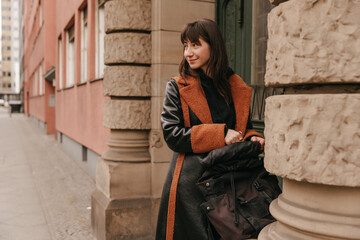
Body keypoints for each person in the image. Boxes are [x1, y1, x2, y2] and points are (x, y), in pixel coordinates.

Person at [155, 19, 265, 240]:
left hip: (232, 183)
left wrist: (253, 138)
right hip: (193, 184)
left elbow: (245, 128)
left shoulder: (236, 85)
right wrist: (220, 135)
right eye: (185, 46)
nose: (188, 52)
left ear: (213, 46)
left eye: (195, 45)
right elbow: (172, 134)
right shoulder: (177, 86)